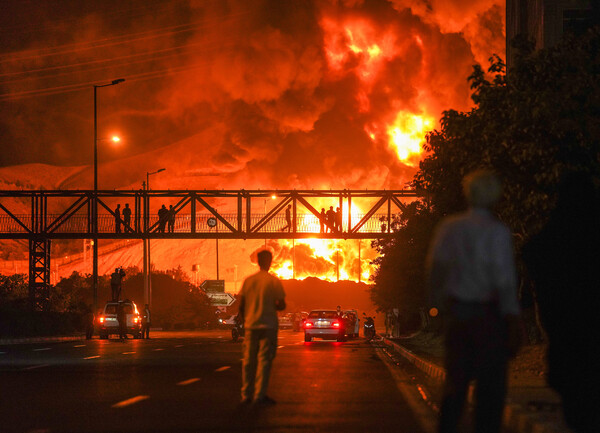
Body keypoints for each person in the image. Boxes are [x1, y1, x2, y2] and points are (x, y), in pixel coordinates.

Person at [427, 169, 522, 433]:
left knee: (455, 384)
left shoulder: (449, 228)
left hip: (457, 314)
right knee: (490, 391)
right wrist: (513, 318)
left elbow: (435, 270)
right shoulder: (498, 232)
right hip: (489, 318)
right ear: (494, 196)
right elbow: (505, 280)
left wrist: (436, 306)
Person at [523, 172, 600, 433]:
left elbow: (532, 252)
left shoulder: (550, 240)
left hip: (566, 346)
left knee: (577, 414)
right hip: (582, 342)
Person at [238, 249, 286, 406]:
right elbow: (281, 304)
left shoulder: (248, 281)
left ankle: (246, 395)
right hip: (269, 325)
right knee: (265, 360)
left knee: (248, 360)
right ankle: (260, 395)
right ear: (270, 262)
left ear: (257, 262)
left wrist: (246, 320)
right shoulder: (273, 281)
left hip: (251, 325)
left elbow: (242, 305)